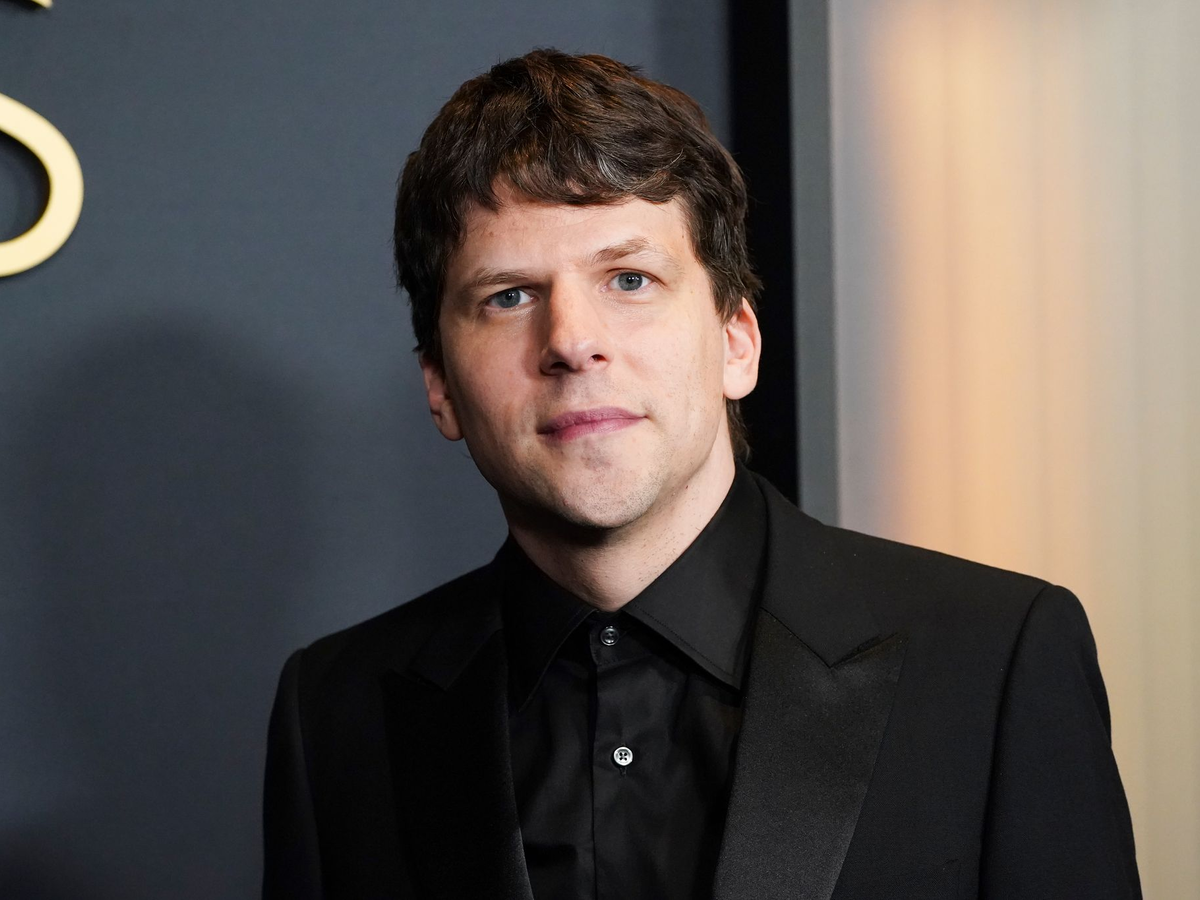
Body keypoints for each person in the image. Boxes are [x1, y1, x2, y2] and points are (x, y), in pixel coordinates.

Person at [262, 49, 1141, 900]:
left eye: (630, 279)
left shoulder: (996, 662)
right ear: (441, 387)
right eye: (509, 296)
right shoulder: (332, 713)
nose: (571, 341)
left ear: (736, 342)